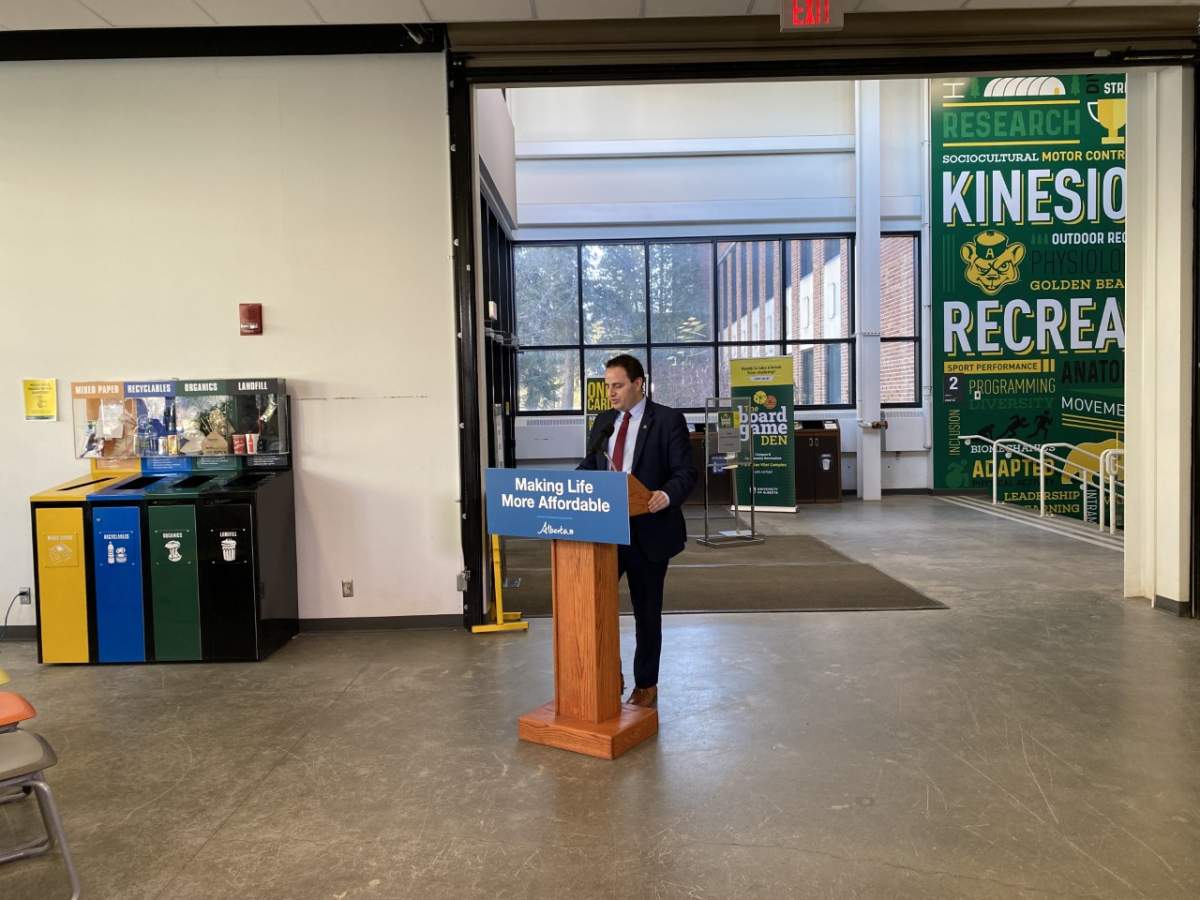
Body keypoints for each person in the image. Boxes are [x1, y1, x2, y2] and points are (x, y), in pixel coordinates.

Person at [578, 354, 697, 708]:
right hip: (606, 530)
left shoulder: (668, 420)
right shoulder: (603, 421)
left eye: (617, 386)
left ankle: (646, 685)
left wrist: (666, 495)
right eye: (607, 386)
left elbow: (685, 472)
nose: (611, 393)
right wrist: (567, 485)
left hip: (649, 531)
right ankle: (608, 673)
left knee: (646, 613)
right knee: (596, 607)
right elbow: (592, 465)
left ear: (638, 383)